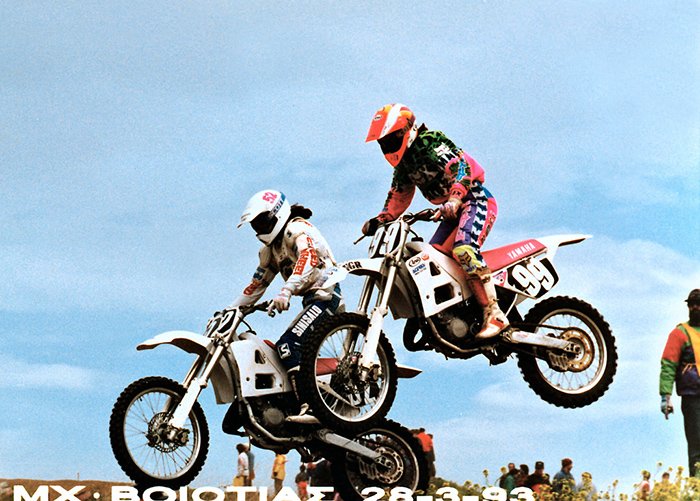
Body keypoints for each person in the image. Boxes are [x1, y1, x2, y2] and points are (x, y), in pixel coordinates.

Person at [363, 103, 507, 339]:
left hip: (474, 200)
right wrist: (381, 220)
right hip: (451, 211)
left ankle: (494, 313)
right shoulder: (404, 164)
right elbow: (399, 195)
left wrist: (455, 198)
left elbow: (462, 167)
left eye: (390, 140)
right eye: (383, 142)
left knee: (464, 250)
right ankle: (454, 312)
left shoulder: (430, 143)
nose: (387, 146)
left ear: (404, 132)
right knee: (433, 259)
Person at [232, 189, 344, 424]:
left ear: (276, 214)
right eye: (256, 225)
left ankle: (311, 405)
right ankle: (289, 403)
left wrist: (287, 290)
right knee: (276, 352)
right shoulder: (270, 250)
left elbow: (308, 259)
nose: (259, 228)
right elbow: (257, 285)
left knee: (288, 346)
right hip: (311, 300)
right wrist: (231, 312)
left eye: (262, 221)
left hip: (326, 296)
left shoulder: (297, 229)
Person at [660, 288, 700, 476]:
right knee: (697, 444)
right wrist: (665, 396)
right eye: (692, 304)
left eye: (698, 304)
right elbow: (668, 365)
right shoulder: (680, 333)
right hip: (692, 398)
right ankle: (697, 485)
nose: (695, 308)